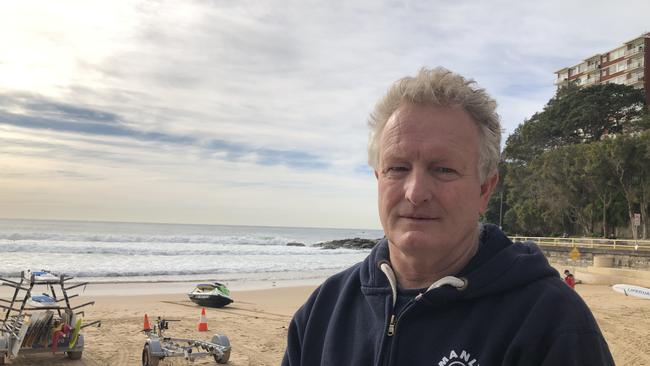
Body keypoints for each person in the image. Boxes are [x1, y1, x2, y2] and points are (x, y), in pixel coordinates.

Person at [282, 67, 614, 365]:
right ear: (378, 179)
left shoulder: (552, 324)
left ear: (485, 188)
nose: (415, 192)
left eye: (443, 169)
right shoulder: (322, 313)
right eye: (397, 168)